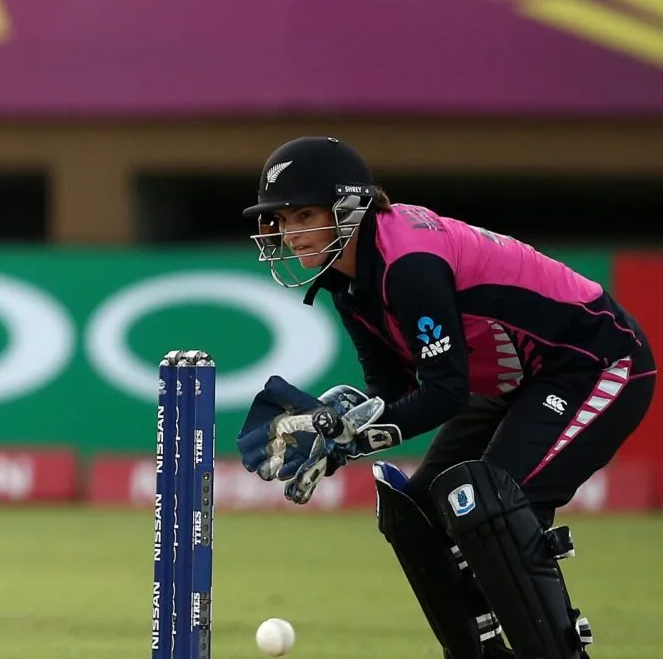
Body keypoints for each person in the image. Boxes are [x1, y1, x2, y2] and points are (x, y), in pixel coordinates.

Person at [235, 136, 654, 659]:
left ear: (348, 207)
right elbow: (391, 392)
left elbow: (446, 393)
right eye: (283, 220)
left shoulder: (408, 264)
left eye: (304, 214)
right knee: (414, 513)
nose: (293, 233)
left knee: (490, 504)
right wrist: (336, 425)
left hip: (595, 361)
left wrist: (351, 442)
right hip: (515, 383)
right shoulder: (349, 283)